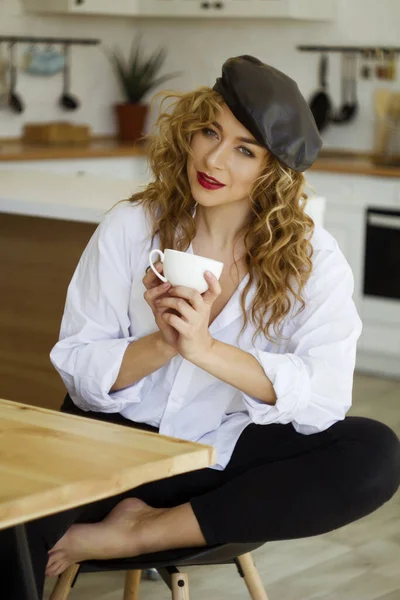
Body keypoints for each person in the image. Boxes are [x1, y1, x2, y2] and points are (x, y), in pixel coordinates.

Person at [29, 56, 399, 595]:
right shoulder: (131, 228)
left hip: (216, 466)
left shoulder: (313, 259)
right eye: (210, 132)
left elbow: (325, 397)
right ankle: (129, 521)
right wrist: (164, 343)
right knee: (11, 523)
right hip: (115, 450)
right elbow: (78, 369)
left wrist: (206, 349)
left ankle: (142, 532)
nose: (214, 158)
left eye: (244, 150)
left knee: (374, 454)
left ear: (272, 172)